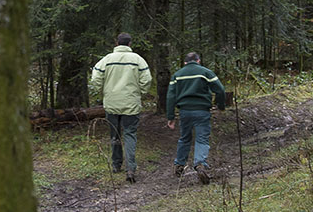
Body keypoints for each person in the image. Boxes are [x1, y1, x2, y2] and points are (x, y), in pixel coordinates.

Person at [89, 33, 152, 182]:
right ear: (130, 44)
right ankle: (131, 168)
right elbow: (147, 79)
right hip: (131, 103)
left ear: (117, 43)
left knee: (114, 134)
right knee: (130, 134)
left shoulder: (106, 59)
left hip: (111, 103)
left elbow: (95, 78)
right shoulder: (138, 60)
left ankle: (116, 165)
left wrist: (103, 91)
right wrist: (140, 92)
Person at [166, 52, 225, 183]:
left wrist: (170, 116)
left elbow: (170, 96)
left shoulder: (177, 75)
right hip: (202, 111)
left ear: (185, 63)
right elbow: (220, 89)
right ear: (198, 61)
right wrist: (220, 105)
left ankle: (179, 165)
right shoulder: (205, 72)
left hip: (185, 112)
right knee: (202, 138)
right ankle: (200, 164)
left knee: (184, 138)